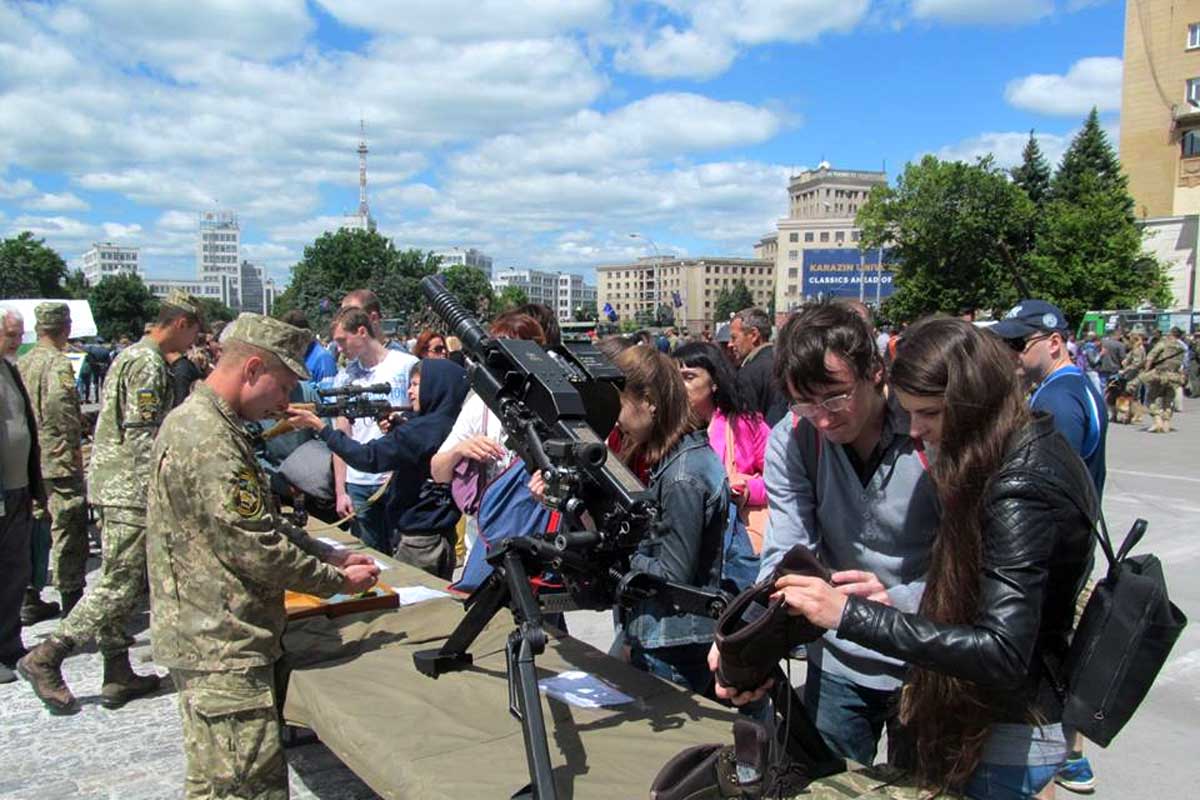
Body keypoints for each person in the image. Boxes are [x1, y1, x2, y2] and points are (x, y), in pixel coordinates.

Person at [772, 317, 1097, 798]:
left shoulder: (1015, 483)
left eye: (928, 413)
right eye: (805, 403)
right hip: (897, 671)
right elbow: (785, 549)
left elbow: (1002, 648)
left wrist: (855, 612)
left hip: (985, 703)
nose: (916, 430)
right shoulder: (1018, 448)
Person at [146, 313, 380, 800]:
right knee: (248, 789)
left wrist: (329, 555)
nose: (284, 403)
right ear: (252, 368)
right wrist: (338, 581)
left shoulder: (210, 424)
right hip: (223, 646)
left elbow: (261, 523)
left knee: (215, 784)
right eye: (283, 386)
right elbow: (256, 548)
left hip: (215, 635)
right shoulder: (208, 437)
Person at [711, 300, 939, 767]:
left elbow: (975, 559)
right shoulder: (794, 436)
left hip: (928, 656)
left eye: (835, 396)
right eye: (805, 401)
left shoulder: (927, 427)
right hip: (838, 662)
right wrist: (747, 641)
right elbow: (786, 558)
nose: (824, 417)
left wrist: (907, 599)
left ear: (875, 371)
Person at [18, 290, 203, 714]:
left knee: (124, 578)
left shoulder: (132, 356)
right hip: (131, 492)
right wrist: (159, 489)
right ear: (179, 323)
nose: (193, 341)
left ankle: (117, 671)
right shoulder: (149, 362)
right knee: (119, 583)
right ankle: (48, 655)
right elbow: (143, 436)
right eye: (193, 331)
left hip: (116, 486)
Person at [610, 345, 728, 694]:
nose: (616, 419)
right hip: (670, 639)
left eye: (619, 405)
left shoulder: (682, 476)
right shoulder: (681, 462)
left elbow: (675, 575)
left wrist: (625, 555)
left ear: (649, 401)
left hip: (672, 645)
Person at [287, 358, 469, 578]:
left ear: (436, 386)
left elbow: (368, 457)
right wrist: (399, 428)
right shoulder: (450, 423)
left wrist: (321, 428)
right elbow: (420, 452)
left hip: (418, 542)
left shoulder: (421, 430)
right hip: (440, 536)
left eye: (416, 384)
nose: (410, 391)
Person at [430, 312, 545, 558]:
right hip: (484, 537)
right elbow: (438, 471)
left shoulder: (553, 408)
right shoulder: (479, 405)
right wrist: (462, 449)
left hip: (537, 536)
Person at [18, 303, 87, 624]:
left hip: (30, 460)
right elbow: (60, 406)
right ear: (66, 327)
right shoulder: (58, 363)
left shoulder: (23, 361)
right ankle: (72, 603)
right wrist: (73, 445)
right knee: (68, 528)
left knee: (33, 528)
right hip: (57, 459)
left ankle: (29, 595)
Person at [328, 306, 417, 553]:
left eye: (342, 340)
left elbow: (420, 422)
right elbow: (341, 435)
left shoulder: (406, 366)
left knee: (403, 555)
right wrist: (340, 489)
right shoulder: (345, 378)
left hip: (396, 479)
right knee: (369, 555)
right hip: (359, 481)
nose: (339, 348)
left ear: (362, 331)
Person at [994, 300, 1107, 494]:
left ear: (1054, 343)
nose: (1008, 352)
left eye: (1017, 343)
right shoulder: (1073, 384)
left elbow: (1048, 484)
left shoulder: (1056, 398)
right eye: (1004, 343)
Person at [673, 341, 771, 553]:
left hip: (734, 541)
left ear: (714, 382)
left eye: (689, 377)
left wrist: (747, 490)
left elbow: (783, 481)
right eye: (674, 378)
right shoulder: (666, 430)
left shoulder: (745, 424)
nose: (679, 386)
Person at [0, 308, 45, 684]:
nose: (17, 342)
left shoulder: (10, 369)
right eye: (11, 335)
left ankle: (9, 643)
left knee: (16, 567)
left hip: (16, 487)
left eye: (18, 335)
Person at [728, 307, 788, 426]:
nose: (730, 344)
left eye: (734, 338)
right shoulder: (785, 361)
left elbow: (747, 427)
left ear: (753, 335)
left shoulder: (748, 374)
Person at [1139, 327, 1187, 433]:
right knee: (1168, 400)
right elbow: (1183, 364)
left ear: (1171, 334)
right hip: (1174, 376)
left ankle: (1158, 421)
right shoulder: (1182, 347)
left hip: (1159, 374)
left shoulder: (1163, 343)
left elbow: (1150, 357)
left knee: (1150, 398)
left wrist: (1146, 371)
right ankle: (1166, 423)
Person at [281, 309, 338, 387]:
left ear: (306, 336)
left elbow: (329, 395)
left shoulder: (323, 358)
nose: (291, 345)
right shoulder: (295, 356)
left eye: (293, 340)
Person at [341, 288, 408, 352]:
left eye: (354, 318)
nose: (346, 326)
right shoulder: (354, 361)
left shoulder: (402, 360)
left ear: (373, 318)